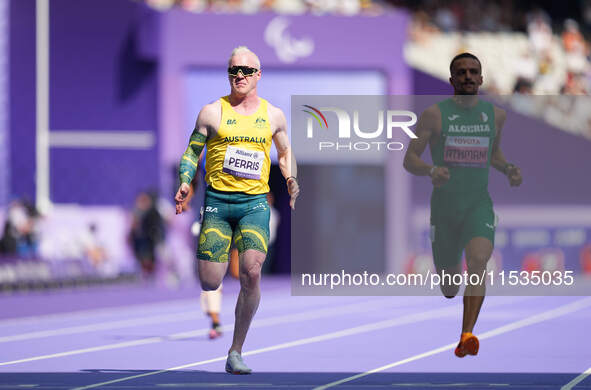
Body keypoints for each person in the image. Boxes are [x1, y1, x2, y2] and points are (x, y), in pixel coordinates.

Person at [174, 46, 299, 374]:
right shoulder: (211, 112)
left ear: (259, 74)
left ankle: (235, 350)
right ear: (228, 74)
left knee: (251, 272)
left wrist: (290, 178)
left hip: (254, 203)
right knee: (209, 280)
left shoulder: (273, 115)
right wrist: (186, 182)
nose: (239, 75)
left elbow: (285, 153)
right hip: (217, 202)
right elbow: (191, 153)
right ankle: (215, 303)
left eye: (246, 70)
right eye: (234, 70)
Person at [403, 52, 522, 358]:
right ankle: (453, 295)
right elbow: (410, 158)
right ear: (452, 79)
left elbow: (493, 154)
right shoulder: (434, 114)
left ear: (481, 78)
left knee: (479, 260)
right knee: (449, 287)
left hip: (478, 205)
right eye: (462, 72)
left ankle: (466, 335)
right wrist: (431, 170)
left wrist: (508, 168)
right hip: (444, 210)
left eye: (474, 71)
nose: (468, 76)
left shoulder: (496, 116)